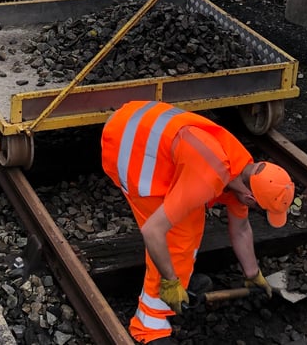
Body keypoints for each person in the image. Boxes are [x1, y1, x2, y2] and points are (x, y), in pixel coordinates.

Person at [100, 101, 295, 345]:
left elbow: (241, 228)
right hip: (128, 143)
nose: (254, 210)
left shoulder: (243, 169)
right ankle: (149, 324)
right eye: (260, 208)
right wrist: (171, 281)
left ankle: (182, 276)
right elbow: (152, 231)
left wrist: (253, 274)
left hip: (138, 122)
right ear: (250, 196)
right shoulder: (209, 175)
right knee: (179, 236)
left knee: (190, 225)